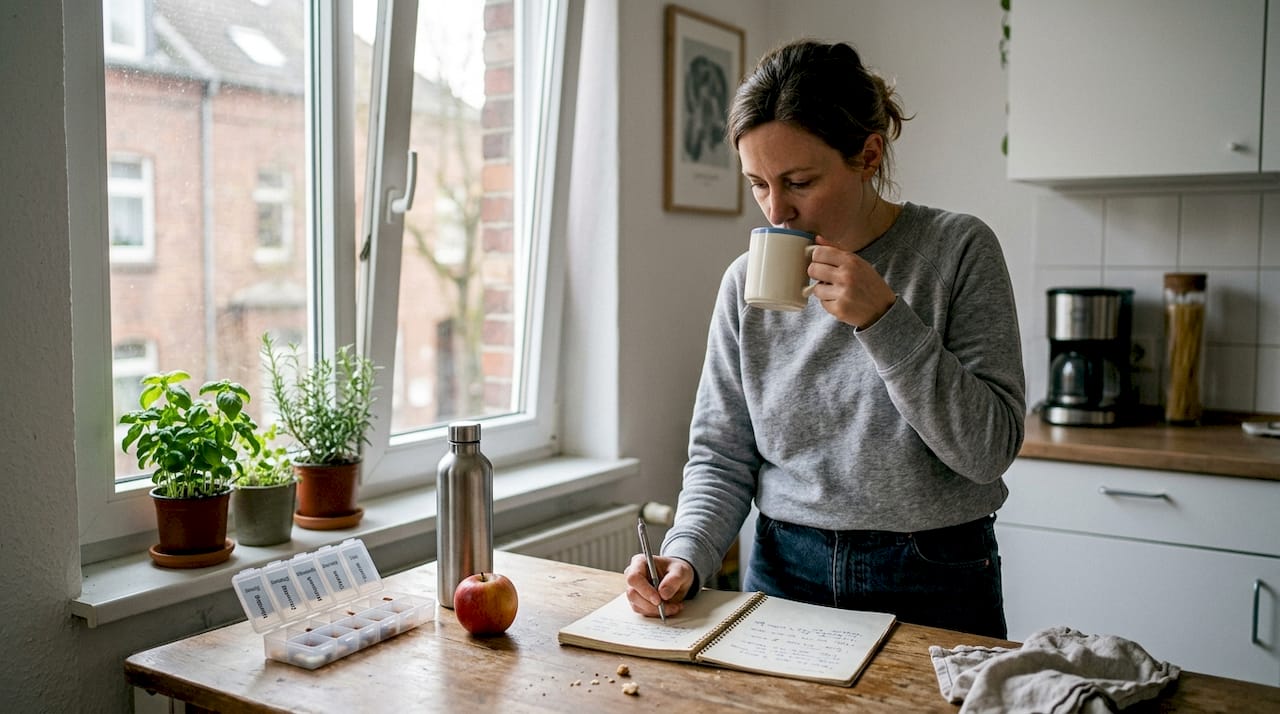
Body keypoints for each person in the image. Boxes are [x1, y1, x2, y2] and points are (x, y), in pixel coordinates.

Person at [624, 39, 1025, 639]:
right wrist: (686, 553)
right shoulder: (744, 284)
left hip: (934, 572)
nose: (775, 211)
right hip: (785, 567)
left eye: (799, 181)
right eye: (758, 184)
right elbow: (721, 455)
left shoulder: (958, 250)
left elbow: (988, 451)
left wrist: (885, 322)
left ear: (867, 154)